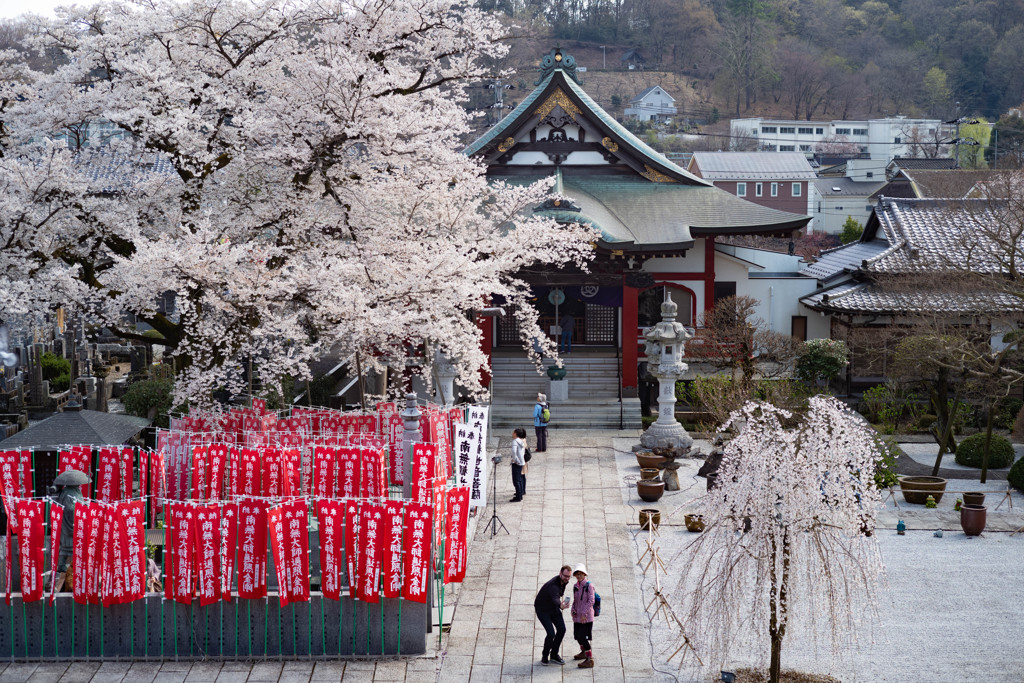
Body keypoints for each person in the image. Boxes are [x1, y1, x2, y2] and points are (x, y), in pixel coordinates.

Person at [534, 565, 572, 665]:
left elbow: (556, 598)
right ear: (560, 573)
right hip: (543, 610)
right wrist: (561, 605)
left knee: (562, 629)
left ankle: (554, 655)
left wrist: (560, 604)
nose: (567, 578)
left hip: (553, 608)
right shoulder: (553, 586)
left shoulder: (564, 582)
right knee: (551, 633)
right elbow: (555, 597)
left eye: (569, 576)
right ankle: (545, 656)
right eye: (565, 576)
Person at [570, 563, 596, 668]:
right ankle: (583, 652)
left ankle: (589, 659)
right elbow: (575, 601)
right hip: (577, 617)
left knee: (583, 637)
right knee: (577, 636)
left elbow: (591, 601)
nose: (579, 576)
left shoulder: (589, 586)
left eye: (581, 574)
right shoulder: (575, 586)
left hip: (586, 618)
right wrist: (573, 610)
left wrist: (584, 613)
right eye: (577, 574)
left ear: (584, 574)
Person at [510, 427, 527, 502]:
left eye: (513, 432)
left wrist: (516, 460)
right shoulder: (521, 441)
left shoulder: (515, 441)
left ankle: (518, 496)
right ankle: (519, 494)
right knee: (519, 479)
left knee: (516, 480)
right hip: (521, 462)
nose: (512, 433)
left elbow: (514, 452)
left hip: (517, 463)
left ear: (516, 434)